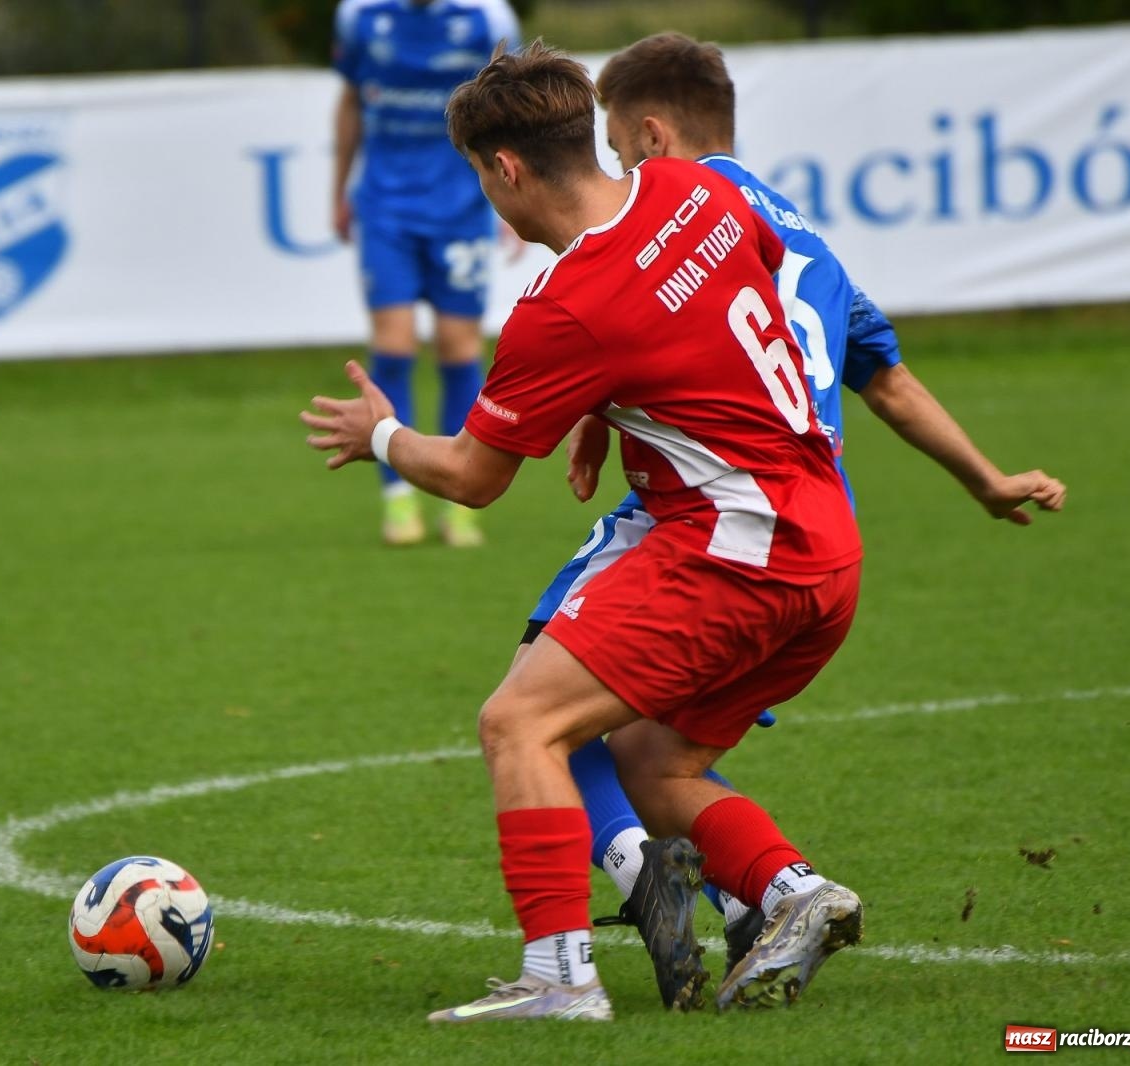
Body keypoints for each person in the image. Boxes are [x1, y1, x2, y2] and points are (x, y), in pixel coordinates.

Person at [304, 40, 871, 1023]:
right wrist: (613, 406)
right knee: (653, 760)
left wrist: (383, 434)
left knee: (518, 723)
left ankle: (558, 977)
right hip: (828, 542)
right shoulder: (695, 189)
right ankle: (790, 893)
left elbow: (475, 479)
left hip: (732, 548)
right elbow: (755, 287)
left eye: (484, 178)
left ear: (507, 168)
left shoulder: (563, 306)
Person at [531, 31, 1068, 1012]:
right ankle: (767, 899)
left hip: (711, 510)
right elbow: (889, 383)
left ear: (651, 136)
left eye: (616, 150)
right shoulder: (806, 236)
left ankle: (657, 889)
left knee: (544, 684)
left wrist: (583, 411)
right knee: (658, 749)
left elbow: (629, 318)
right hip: (818, 536)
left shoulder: (682, 213)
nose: (613, 175)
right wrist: (986, 480)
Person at [331, 0, 519, 547]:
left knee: (459, 347)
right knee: (394, 343)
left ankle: (457, 502)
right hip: (385, 207)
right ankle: (399, 498)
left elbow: (511, 111)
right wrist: (339, 189)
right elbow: (349, 104)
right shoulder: (360, 16)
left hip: (460, 208)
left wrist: (509, 195)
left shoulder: (489, 18)